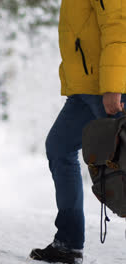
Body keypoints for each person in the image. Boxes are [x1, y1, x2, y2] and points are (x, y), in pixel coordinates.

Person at [29, 0, 126, 263]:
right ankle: (68, 243)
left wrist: (114, 86)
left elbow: (118, 28)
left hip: (108, 89)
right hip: (85, 88)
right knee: (60, 147)